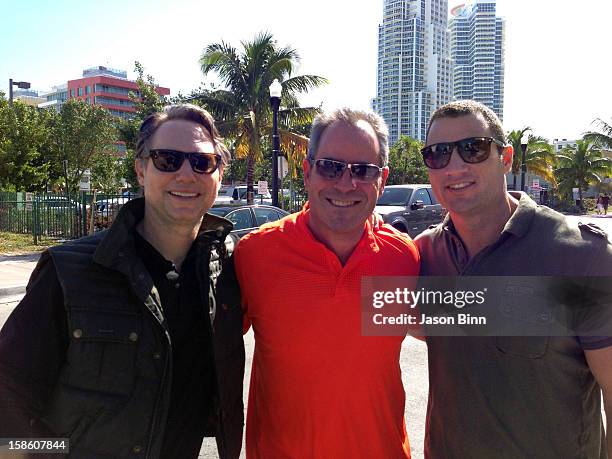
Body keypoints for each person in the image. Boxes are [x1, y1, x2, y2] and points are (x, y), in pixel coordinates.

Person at [0, 104, 245, 459]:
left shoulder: (226, 274)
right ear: (141, 170)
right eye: (167, 160)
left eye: (202, 162)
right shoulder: (69, 272)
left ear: (218, 174)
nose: (186, 174)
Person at [415, 100, 612, 458]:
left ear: (506, 158)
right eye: (438, 153)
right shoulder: (424, 256)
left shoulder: (579, 254)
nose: (455, 166)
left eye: (473, 149)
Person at [230, 108, 420, 458]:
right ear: (307, 171)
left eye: (363, 171)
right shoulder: (255, 254)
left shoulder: (404, 257)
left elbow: (471, 321)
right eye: (331, 167)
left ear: (383, 179)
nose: (346, 183)